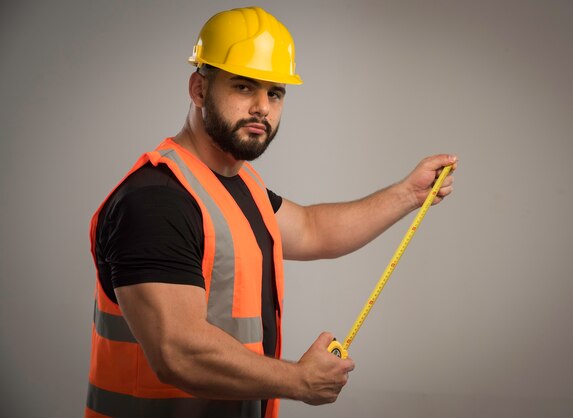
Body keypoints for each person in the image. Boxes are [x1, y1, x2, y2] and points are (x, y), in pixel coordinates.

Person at [85, 6, 457, 418]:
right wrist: (298, 379)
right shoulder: (156, 199)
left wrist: (408, 193)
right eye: (244, 87)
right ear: (198, 89)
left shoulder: (241, 186)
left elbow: (314, 230)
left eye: (275, 92)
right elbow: (178, 352)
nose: (262, 106)